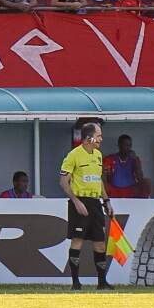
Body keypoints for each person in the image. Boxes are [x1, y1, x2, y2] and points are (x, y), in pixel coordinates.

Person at [60, 121, 110, 290]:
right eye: (98, 136)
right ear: (89, 138)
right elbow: (63, 182)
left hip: (95, 203)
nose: (101, 139)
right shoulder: (73, 155)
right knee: (77, 240)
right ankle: (75, 283)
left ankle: (102, 283)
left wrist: (107, 201)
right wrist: (76, 201)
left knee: (100, 242)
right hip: (79, 202)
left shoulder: (98, 155)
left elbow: (99, 180)